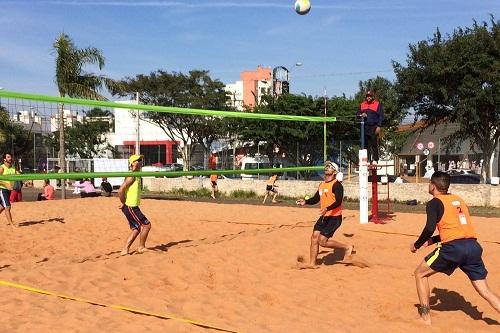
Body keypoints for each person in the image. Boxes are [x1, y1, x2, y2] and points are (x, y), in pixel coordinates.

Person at [411, 171, 500, 325]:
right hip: (473, 247)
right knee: (485, 290)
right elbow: (456, 228)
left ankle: (425, 318)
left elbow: (429, 227)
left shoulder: (434, 202)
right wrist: (432, 241)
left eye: (429, 183)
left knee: (420, 274)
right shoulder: (458, 200)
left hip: (453, 249)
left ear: (433, 186)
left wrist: (416, 244)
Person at [296, 161, 353, 269]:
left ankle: (346, 247)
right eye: (326, 166)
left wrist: (327, 208)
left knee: (322, 241)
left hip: (335, 217)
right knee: (314, 237)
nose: (327, 168)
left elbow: (338, 201)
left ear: (335, 172)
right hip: (324, 216)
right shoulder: (322, 184)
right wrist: (306, 202)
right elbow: (316, 198)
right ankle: (312, 264)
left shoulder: (337, 185)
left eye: (330, 167)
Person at [118, 155, 151, 256]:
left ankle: (125, 249)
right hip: (130, 206)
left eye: (141, 160)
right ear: (132, 163)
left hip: (132, 206)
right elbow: (121, 190)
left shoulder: (136, 175)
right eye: (138, 160)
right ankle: (141, 247)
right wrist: (123, 202)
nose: (140, 161)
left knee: (136, 229)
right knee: (146, 225)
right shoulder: (132, 175)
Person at [357, 90, 384, 164]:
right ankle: (367, 160)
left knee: (373, 143)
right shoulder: (362, 104)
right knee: (365, 144)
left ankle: (375, 159)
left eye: (370, 96)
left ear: (372, 97)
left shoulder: (377, 104)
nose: (368, 97)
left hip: (373, 126)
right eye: (367, 96)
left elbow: (381, 116)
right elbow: (357, 115)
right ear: (366, 97)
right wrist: (361, 115)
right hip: (364, 127)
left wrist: (379, 126)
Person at [0, 153, 17, 227]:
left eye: (11, 157)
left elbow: (20, 175)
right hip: (2, 189)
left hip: (9, 190)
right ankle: (11, 225)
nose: (10, 158)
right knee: (7, 206)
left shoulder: (13, 168)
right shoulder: (2, 168)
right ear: (4, 159)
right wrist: (6, 184)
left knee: (2, 206)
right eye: (8, 157)